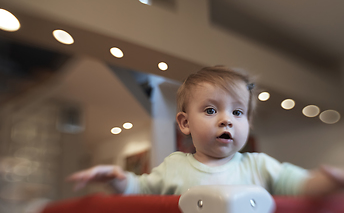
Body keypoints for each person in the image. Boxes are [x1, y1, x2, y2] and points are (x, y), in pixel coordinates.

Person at [67, 66, 344, 196]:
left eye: (238, 113)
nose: (227, 121)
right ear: (185, 123)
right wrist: (117, 179)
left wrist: (330, 181)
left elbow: (301, 185)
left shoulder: (259, 166)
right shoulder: (174, 166)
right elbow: (140, 190)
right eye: (211, 110)